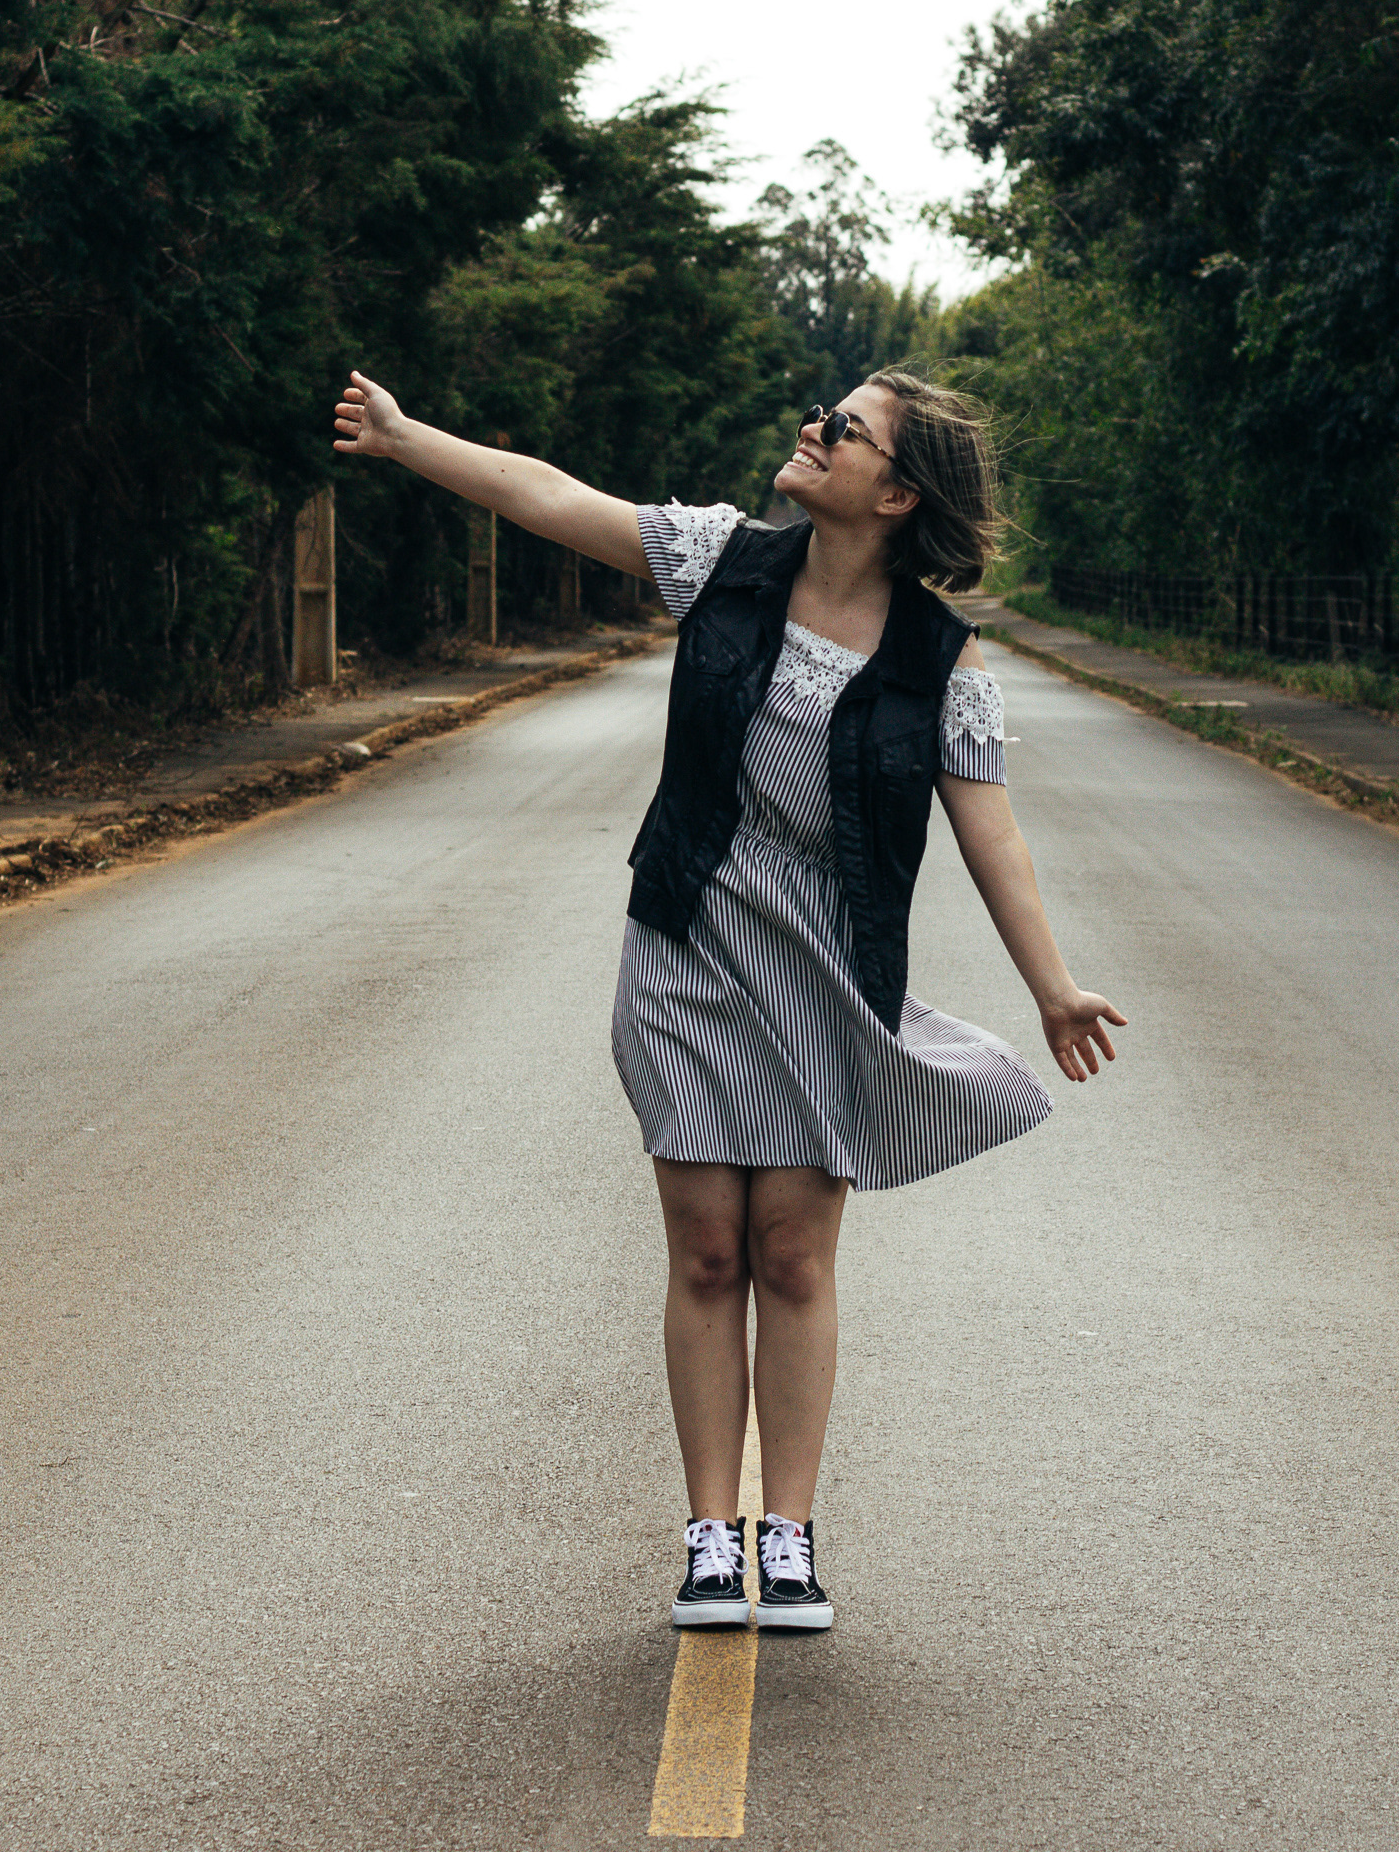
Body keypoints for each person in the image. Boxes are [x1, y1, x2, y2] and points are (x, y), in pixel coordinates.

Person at [332, 368, 1127, 1631]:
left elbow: (991, 833)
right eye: (825, 412)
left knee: (792, 1254)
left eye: (844, 429)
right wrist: (404, 435)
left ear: (897, 493)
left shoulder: (937, 659)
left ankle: (787, 1535)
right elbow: (549, 497)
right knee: (707, 1247)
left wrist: (1052, 987)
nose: (815, 430)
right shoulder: (722, 562)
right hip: (687, 945)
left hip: (828, 967)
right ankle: (712, 1534)